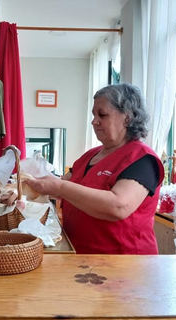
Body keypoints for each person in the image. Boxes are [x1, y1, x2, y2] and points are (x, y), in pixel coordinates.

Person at [26, 84, 164, 254]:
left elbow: (118, 206)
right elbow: (58, 187)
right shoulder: (90, 156)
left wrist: (59, 187)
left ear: (127, 118)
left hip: (123, 262)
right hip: (81, 256)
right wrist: (27, 180)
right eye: (94, 115)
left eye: (102, 115)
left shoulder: (142, 159)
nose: (94, 121)